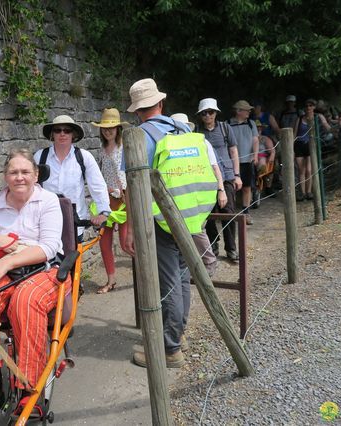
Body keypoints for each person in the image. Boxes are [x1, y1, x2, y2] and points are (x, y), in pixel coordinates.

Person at [0, 149, 68, 420]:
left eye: (25, 172)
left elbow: (48, 247)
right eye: (13, 172)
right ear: (5, 176)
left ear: (35, 175)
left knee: (26, 299)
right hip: (6, 267)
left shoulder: (47, 201)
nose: (19, 177)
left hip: (44, 269)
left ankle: (29, 388)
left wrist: (6, 263)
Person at [123, 79, 216, 368]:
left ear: (137, 111)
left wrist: (128, 228)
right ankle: (179, 334)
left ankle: (170, 349)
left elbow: (133, 188)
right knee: (182, 276)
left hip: (161, 222)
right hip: (191, 215)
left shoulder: (140, 137)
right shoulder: (183, 129)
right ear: (161, 104)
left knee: (169, 283)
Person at [34, 115, 111, 233]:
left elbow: (97, 185)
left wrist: (104, 212)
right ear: (52, 134)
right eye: (57, 130)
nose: (62, 134)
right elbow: (31, 187)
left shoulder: (83, 157)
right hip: (45, 222)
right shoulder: (40, 156)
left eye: (67, 130)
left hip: (74, 223)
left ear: (73, 134)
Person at [170, 113, 225, 277]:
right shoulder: (170, 144)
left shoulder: (201, 142)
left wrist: (221, 189)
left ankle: (209, 261)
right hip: (180, 194)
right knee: (184, 230)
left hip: (200, 194)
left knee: (197, 228)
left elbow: (214, 167)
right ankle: (193, 264)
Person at [196, 98, 242, 262]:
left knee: (228, 213)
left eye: (211, 112)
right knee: (208, 215)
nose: (208, 115)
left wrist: (237, 175)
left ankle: (231, 249)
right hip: (206, 179)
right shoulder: (197, 133)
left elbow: (234, 151)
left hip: (227, 175)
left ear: (216, 113)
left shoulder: (225, 128)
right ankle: (213, 246)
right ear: (200, 115)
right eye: (204, 113)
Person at [92, 108, 130, 293]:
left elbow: (128, 175)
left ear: (118, 129)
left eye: (112, 127)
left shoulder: (124, 149)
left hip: (123, 199)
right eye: (105, 128)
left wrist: (120, 191)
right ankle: (111, 280)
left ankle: (147, 272)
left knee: (125, 243)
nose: (108, 131)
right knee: (104, 242)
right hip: (106, 200)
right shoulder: (101, 151)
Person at [293, 98, 331, 200]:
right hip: (300, 145)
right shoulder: (300, 119)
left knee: (309, 170)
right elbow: (295, 134)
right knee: (301, 170)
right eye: (307, 106)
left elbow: (326, 126)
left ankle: (309, 191)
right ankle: (303, 192)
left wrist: (333, 128)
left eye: (311, 105)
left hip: (311, 145)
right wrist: (292, 148)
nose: (308, 108)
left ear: (314, 107)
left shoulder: (318, 117)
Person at [228, 100, 259, 225]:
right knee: (232, 188)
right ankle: (230, 214)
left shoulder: (251, 124)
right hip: (231, 162)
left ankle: (246, 213)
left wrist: (255, 155)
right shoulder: (228, 124)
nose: (249, 112)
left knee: (247, 187)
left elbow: (255, 140)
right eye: (246, 110)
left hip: (247, 161)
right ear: (238, 111)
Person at [254, 119, 276, 200]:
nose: (258, 129)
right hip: (251, 158)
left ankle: (265, 186)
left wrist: (271, 159)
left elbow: (272, 151)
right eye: (256, 127)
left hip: (263, 158)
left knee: (262, 162)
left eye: (259, 127)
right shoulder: (249, 138)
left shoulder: (265, 139)